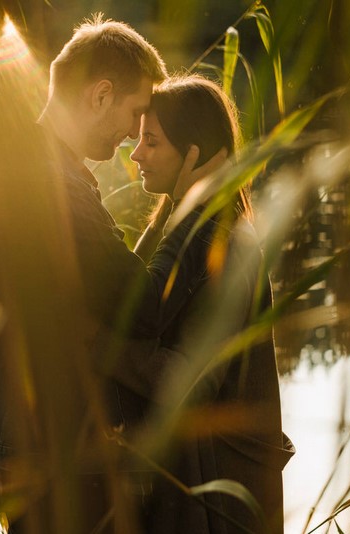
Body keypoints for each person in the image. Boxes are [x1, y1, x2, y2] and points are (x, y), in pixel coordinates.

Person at [0, 15, 227, 533]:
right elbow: (145, 306)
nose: (136, 134)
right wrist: (199, 202)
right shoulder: (52, 185)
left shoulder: (35, 169)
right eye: (136, 114)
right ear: (101, 94)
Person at [118, 74, 294, 534]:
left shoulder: (226, 244)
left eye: (151, 141)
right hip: (198, 491)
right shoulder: (180, 226)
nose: (135, 154)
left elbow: (189, 382)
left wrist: (94, 345)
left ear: (192, 152)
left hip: (223, 504)